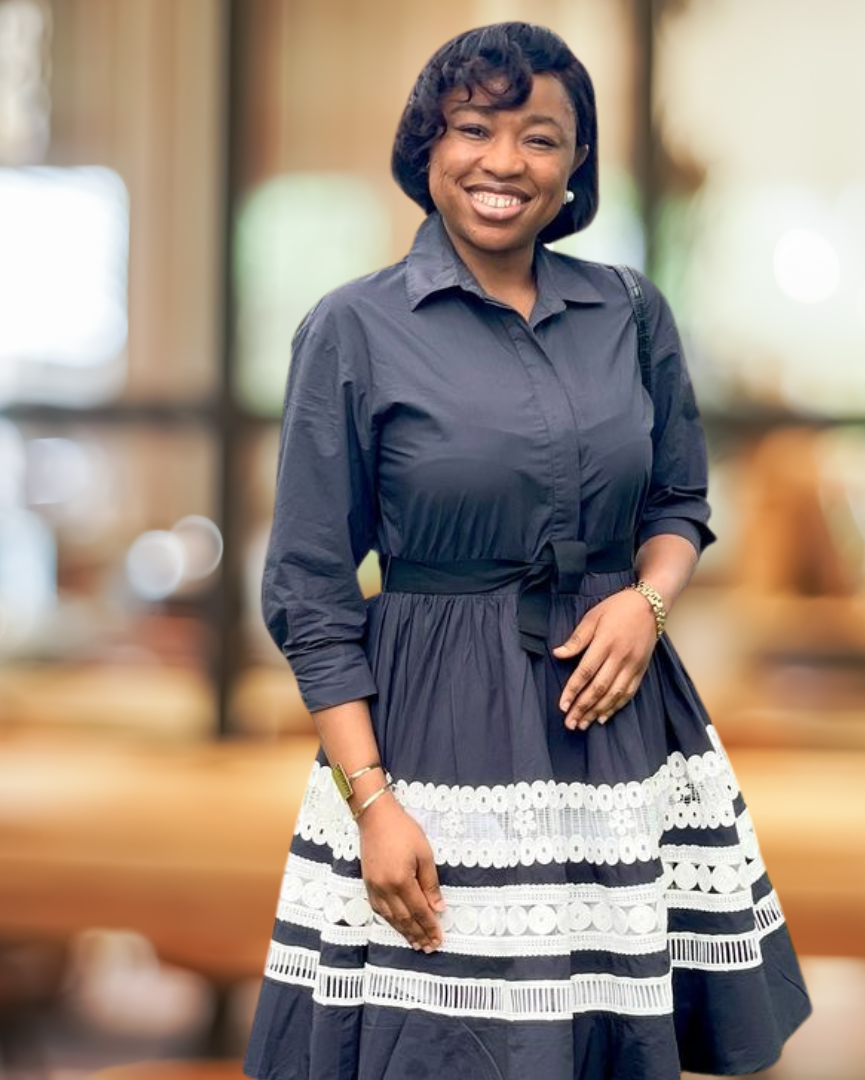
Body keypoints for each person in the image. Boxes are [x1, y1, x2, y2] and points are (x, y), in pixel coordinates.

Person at [243, 22, 810, 1080]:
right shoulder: (353, 329)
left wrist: (645, 605)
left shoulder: (630, 312)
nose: (504, 162)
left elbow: (681, 501)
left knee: (602, 1042)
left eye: (540, 138)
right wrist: (373, 802)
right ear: (429, 145)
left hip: (613, 732)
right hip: (434, 741)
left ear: (576, 165)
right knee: (445, 1045)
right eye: (475, 129)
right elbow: (310, 588)